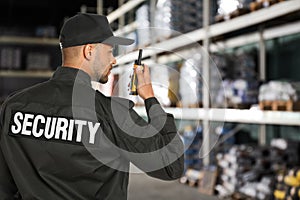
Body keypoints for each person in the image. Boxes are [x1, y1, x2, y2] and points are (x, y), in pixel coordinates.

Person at [0, 13, 184, 199]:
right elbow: (172, 166)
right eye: (110, 52)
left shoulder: (14, 107)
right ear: (89, 51)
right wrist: (150, 97)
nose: (113, 60)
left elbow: (4, 186)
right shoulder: (113, 114)